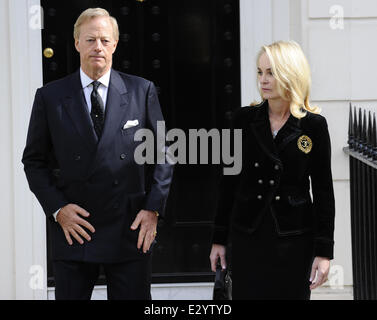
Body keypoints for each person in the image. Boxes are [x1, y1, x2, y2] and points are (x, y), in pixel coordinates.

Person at [22, 8, 174, 300]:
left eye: (105, 40)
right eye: (90, 40)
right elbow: (34, 161)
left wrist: (153, 209)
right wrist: (58, 209)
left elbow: (163, 153)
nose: (98, 47)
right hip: (74, 229)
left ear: (115, 44)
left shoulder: (141, 90)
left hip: (130, 227)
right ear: (77, 43)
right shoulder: (50, 96)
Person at [209, 40, 335, 300]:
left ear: (290, 74)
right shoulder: (241, 120)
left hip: (294, 239)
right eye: (259, 72)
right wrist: (218, 240)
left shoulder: (313, 126)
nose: (263, 80)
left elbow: (323, 191)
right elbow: (228, 184)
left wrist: (324, 252)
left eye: (271, 72)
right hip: (247, 236)